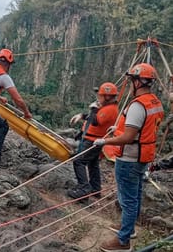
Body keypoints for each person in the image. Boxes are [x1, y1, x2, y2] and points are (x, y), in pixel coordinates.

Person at [93, 63, 164, 252]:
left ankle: (123, 241)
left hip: (129, 158)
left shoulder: (138, 105)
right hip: (143, 156)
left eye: (132, 80)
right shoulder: (154, 101)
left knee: (128, 199)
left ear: (138, 82)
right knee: (136, 193)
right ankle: (129, 228)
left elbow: (129, 137)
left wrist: (105, 142)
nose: (130, 84)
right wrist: (118, 129)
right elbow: (142, 129)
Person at [67, 82, 119, 200]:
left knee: (79, 161)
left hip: (93, 141)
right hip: (92, 138)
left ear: (107, 97)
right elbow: (93, 119)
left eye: (100, 95)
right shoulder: (106, 107)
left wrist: (94, 109)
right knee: (93, 163)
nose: (98, 98)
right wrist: (82, 115)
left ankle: (84, 189)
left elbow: (96, 121)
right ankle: (95, 189)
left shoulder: (110, 109)